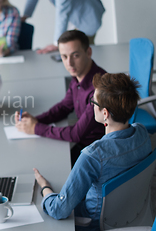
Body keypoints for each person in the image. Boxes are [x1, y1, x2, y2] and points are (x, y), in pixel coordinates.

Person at [33, 73, 152, 231]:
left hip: (95, 229)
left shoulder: (92, 156)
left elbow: (59, 210)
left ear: (105, 113)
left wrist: (45, 189)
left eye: (93, 103)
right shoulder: (142, 133)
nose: (91, 106)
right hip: (133, 213)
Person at [15, 30, 106, 164]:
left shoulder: (98, 89)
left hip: (96, 151)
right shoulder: (78, 76)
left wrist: (36, 128)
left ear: (88, 52)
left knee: (44, 163)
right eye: (64, 56)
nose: (69, 63)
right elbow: (64, 107)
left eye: (75, 56)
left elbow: (76, 134)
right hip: (83, 142)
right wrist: (35, 120)